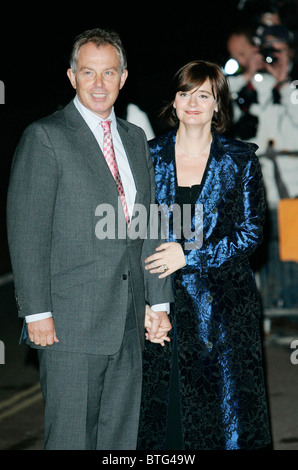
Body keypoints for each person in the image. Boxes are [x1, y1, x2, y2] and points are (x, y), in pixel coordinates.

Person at [6, 28, 173, 450]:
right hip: (69, 323)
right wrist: (36, 312)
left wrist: (159, 302)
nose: (99, 84)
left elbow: (149, 225)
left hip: (129, 318)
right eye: (88, 73)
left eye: (109, 73)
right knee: (71, 439)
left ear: (124, 77)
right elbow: (28, 231)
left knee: (119, 440)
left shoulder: (135, 138)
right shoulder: (45, 137)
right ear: (71, 76)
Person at [137, 60, 272, 450]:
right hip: (163, 303)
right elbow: (133, 232)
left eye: (203, 95)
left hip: (226, 311)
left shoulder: (240, 158)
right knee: (168, 418)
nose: (192, 102)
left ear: (217, 105)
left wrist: (190, 256)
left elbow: (250, 234)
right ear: (174, 103)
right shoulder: (148, 156)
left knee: (226, 416)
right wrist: (144, 301)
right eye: (184, 93)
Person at [226, 24, 298, 154]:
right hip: (259, 168)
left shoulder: (292, 82)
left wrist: (284, 83)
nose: (240, 61)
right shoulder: (243, 87)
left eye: (241, 54)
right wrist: (246, 75)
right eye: (235, 57)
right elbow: (214, 98)